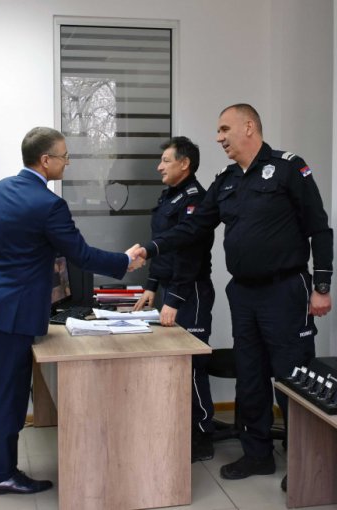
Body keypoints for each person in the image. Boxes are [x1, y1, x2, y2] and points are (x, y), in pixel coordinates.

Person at [139, 104, 333, 481]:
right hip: (243, 294)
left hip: (285, 291)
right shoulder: (226, 181)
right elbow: (194, 227)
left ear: (248, 127)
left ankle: (305, 464)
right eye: (218, 131)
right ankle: (257, 454)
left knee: (292, 377)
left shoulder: (288, 168)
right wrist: (151, 249)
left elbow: (319, 228)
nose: (218, 138)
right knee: (250, 376)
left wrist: (322, 286)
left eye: (224, 129)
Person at [0, 126, 145, 496]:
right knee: (11, 393)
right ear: (45, 160)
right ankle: (3, 474)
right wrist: (124, 261)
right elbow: (81, 255)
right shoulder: (48, 204)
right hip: (13, 313)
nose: (68, 162)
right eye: (64, 156)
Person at [133, 136, 216, 462]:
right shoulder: (171, 196)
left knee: (192, 365)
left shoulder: (196, 200)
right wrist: (152, 285)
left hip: (189, 290)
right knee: (175, 364)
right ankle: (180, 427)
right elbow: (162, 244)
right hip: (171, 288)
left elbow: (189, 253)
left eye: (166, 161)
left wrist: (175, 298)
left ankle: (202, 434)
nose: (159, 167)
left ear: (184, 163)